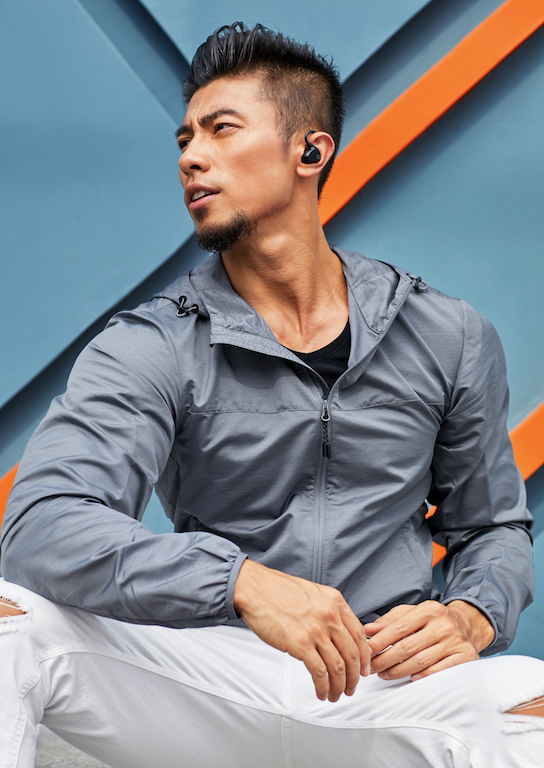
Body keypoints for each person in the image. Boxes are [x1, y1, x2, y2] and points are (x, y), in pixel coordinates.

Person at [1, 21, 544, 768]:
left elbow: (492, 527)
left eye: (222, 130)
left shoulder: (447, 334)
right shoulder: (154, 343)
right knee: (8, 620)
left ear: (310, 152)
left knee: (531, 705)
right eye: (186, 138)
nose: (191, 156)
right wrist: (242, 584)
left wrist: (473, 612)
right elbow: (42, 523)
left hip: (381, 683)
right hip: (204, 676)